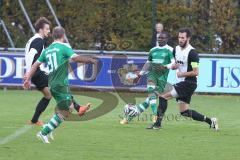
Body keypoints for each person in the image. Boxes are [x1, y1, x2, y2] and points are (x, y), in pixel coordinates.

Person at [23, 26, 97, 143]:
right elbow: (76, 58)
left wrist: (28, 78)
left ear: (53, 36)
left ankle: (49, 128)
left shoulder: (47, 50)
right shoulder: (63, 48)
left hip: (52, 83)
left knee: (67, 108)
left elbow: (35, 65)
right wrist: (90, 60)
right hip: (60, 84)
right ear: (63, 36)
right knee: (67, 110)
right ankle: (44, 132)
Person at [157, 28, 219, 130]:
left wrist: (182, 74)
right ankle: (211, 121)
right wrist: (167, 67)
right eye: (179, 37)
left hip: (189, 83)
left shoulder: (192, 53)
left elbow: (196, 72)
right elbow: (177, 63)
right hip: (183, 83)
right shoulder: (176, 49)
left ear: (188, 38)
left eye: (183, 38)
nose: (180, 39)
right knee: (184, 112)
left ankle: (157, 124)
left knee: (163, 96)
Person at [120, 32, 175, 127]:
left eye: (162, 38)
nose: (160, 39)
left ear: (167, 39)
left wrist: (165, 66)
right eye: (159, 38)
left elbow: (174, 63)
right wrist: (140, 74)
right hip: (152, 74)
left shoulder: (170, 50)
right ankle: (154, 115)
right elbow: (148, 63)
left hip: (162, 77)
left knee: (149, 100)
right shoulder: (153, 50)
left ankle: (129, 117)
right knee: (151, 92)